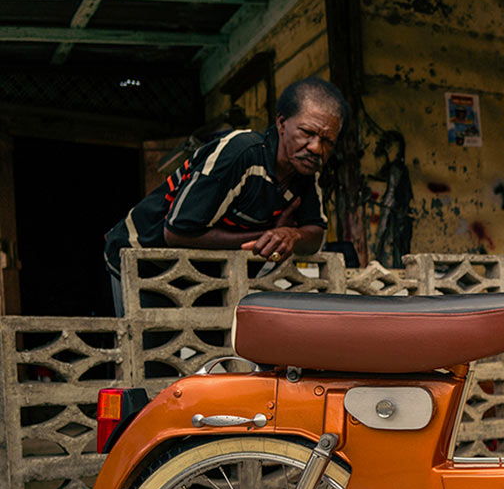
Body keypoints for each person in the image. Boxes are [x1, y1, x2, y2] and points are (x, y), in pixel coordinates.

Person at [103, 77, 348, 314]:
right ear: (282, 123)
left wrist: (291, 235)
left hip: (206, 274)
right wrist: (268, 234)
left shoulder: (305, 170)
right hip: (143, 258)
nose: (317, 148)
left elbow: (314, 233)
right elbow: (178, 231)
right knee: (153, 350)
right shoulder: (240, 152)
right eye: (307, 133)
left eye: (328, 141)